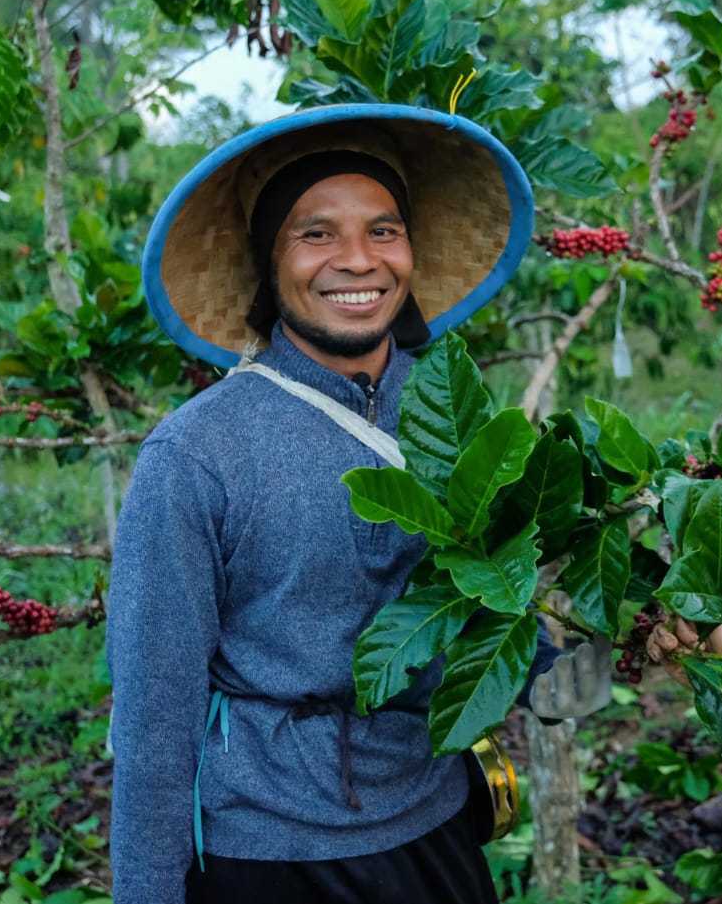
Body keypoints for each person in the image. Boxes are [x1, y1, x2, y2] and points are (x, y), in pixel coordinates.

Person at [108, 105, 608, 904]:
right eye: (315, 234)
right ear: (269, 263)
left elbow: (489, 604)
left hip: (433, 815)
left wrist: (601, 638)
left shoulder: (452, 417)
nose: (356, 260)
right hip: (266, 849)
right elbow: (152, 727)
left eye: (383, 230)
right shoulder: (197, 454)